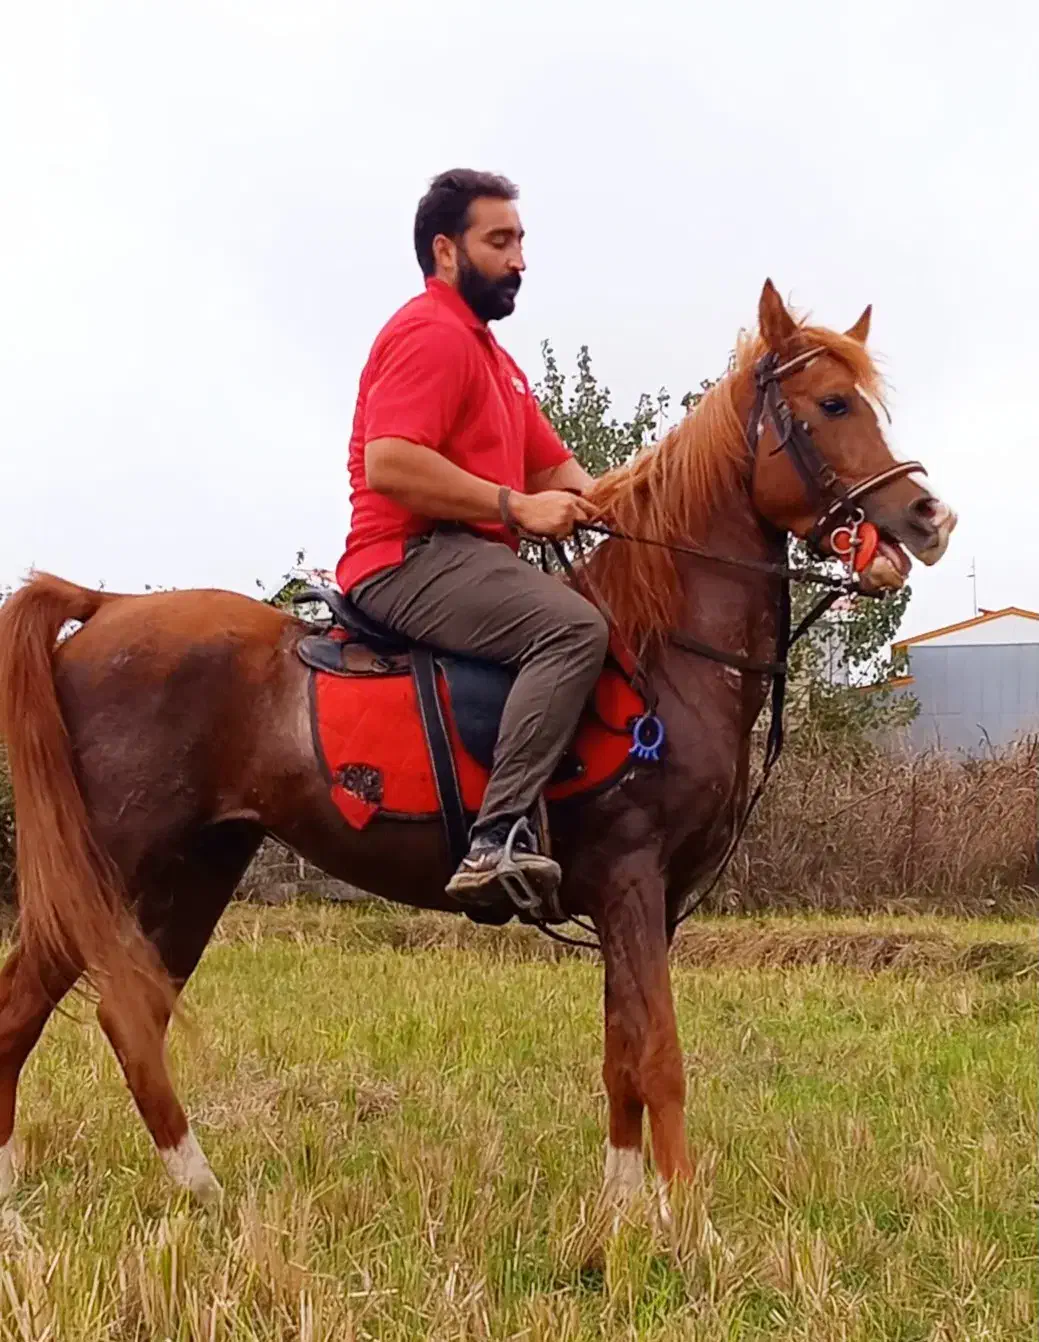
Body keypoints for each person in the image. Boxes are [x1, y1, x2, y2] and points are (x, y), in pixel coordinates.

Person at [336, 168, 608, 910]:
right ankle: (498, 839)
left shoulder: (495, 360)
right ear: (446, 251)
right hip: (405, 557)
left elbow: (560, 469)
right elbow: (388, 462)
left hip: (469, 559)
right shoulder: (430, 334)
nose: (519, 259)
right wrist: (514, 507)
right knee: (572, 629)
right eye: (500, 241)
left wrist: (645, 506)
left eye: (520, 240)